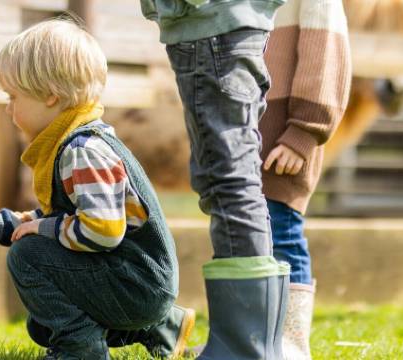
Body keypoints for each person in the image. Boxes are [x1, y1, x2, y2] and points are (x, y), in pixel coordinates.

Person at [0, 18, 195, 360]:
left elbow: (102, 231)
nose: (9, 108)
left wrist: (39, 229)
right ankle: (163, 328)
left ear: (50, 96)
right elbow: (54, 220)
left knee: (28, 256)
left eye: (13, 97)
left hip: (138, 285)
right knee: (41, 325)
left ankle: (80, 350)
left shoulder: (82, 151)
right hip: (133, 280)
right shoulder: (72, 143)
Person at [140, 0, 290, 359]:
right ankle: (253, 344)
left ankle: (243, 347)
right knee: (235, 178)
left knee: (227, 181)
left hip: (211, 29)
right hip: (225, 26)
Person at [261, 1, 351, 358]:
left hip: (284, 135)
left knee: (281, 230)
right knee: (243, 237)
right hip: (247, 130)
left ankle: (291, 341)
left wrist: (303, 133)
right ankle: (243, 336)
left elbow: (326, 60)